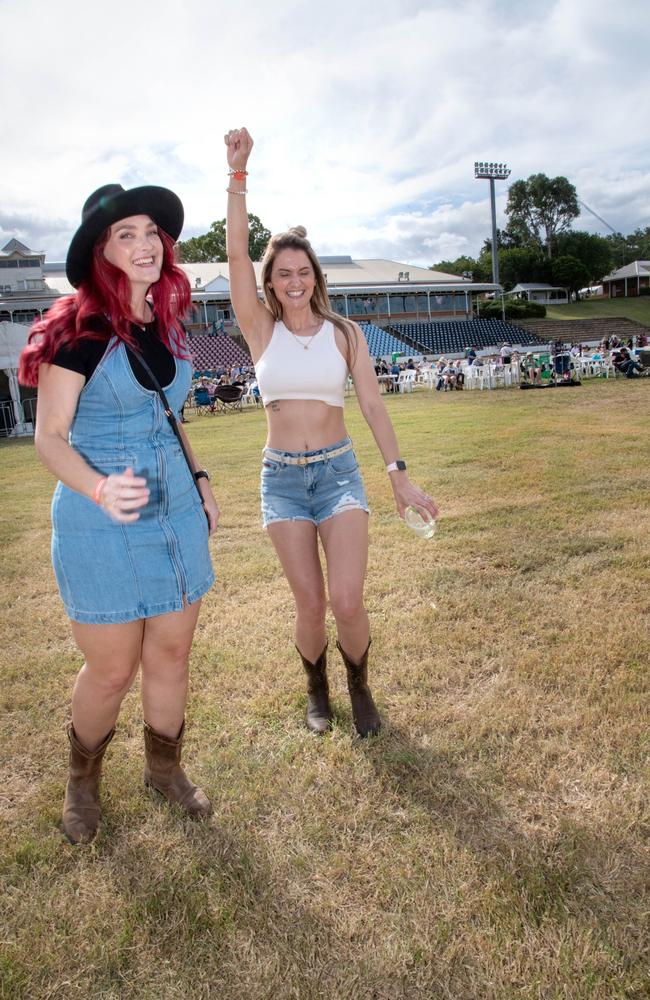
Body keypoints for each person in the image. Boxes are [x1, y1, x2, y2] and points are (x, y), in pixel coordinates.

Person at [18, 184, 219, 844]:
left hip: (176, 512)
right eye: (125, 234)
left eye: (151, 232)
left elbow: (173, 417)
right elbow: (50, 436)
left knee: (172, 653)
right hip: (97, 515)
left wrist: (202, 480)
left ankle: (164, 773)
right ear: (101, 250)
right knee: (110, 669)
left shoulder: (168, 323)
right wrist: (101, 490)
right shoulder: (76, 330)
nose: (144, 244)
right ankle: (84, 779)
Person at [224, 127, 438, 737]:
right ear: (271, 282)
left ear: (316, 276)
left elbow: (371, 405)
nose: (294, 281)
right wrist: (238, 176)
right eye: (282, 274)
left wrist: (398, 476)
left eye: (303, 272)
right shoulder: (261, 331)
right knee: (311, 604)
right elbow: (237, 253)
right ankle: (316, 687)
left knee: (347, 599)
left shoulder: (346, 334)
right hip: (282, 482)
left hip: (339, 471)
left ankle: (359, 684)